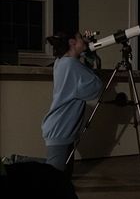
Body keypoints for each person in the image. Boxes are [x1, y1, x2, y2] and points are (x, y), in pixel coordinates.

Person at [41, 30, 103, 178]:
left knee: (64, 173)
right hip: (60, 128)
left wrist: (86, 51)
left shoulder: (62, 61)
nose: (84, 40)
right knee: (54, 175)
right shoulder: (72, 65)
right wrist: (91, 52)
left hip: (62, 127)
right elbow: (97, 86)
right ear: (72, 42)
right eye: (81, 38)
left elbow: (86, 76)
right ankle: (15, 161)